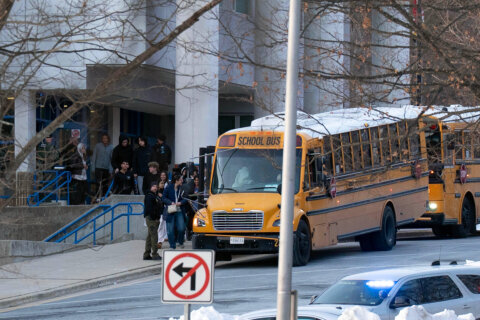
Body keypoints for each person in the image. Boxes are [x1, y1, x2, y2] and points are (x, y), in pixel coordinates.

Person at [162, 174, 187, 249]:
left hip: (179, 209)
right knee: (170, 230)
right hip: (171, 209)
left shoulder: (182, 188)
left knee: (181, 228)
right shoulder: (168, 187)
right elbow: (163, 198)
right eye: (180, 179)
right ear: (176, 181)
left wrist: (181, 203)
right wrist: (170, 202)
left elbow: (186, 198)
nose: (182, 181)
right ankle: (172, 245)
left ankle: (180, 241)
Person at [143, 182, 162, 261]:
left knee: (150, 236)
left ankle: (147, 254)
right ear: (150, 187)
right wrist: (155, 217)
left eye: (156, 186)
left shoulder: (154, 196)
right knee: (154, 236)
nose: (155, 188)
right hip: (151, 218)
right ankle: (155, 254)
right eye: (153, 186)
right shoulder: (149, 196)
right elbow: (151, 209)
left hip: (153, 218)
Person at [91, 133, 113, 198]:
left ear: (108, 139)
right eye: (103, 138)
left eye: (106, 138)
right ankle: (97, 198)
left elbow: (111, 159)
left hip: (106, 169)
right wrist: (93, 168)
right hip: (98, 167)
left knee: (105, 184)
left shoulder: (111, 147)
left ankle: (104, 198)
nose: (104, 139)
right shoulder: (98, 146)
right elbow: (94, 157)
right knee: (98, 184)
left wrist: (111, 170)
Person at [156, 180, 168, 249]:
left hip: (162, 212)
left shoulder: (165, 192)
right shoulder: (155, 192)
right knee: (157, 227)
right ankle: (157, 241)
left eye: (163, 183)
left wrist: (163, 196)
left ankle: (159, 241)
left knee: (161, 226)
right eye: (161, 183)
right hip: (155, 212)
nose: (162, 184)